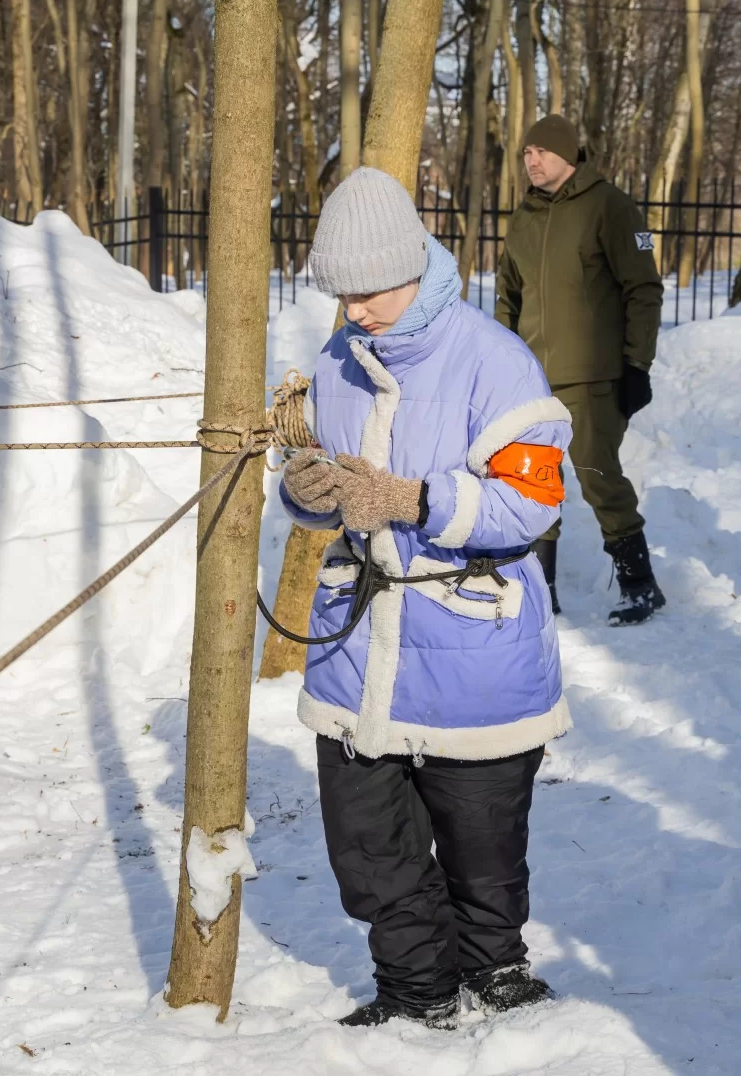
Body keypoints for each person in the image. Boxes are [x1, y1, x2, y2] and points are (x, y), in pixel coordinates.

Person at [281, 167, 573, 1028]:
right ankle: (415, 990)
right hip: (358, 649)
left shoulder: (497, 361)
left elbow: (534, 502)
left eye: (368, 291)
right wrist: (307, 490)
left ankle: (494, 968)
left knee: (482, 846)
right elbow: (324, 496)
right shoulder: (338, 360)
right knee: (371, 848)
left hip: (471, 649)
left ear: (412, 267)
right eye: (341, 294)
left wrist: (414, 500)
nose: (353, 310)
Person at [496, 115, 666, 625]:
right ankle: (540, 589)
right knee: (533, 481)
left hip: (594, 375)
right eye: (526, 153)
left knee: (598, 478)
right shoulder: (523, 218)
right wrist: (502, 363)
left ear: (568, 155)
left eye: (541, 152)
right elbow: (508, 298)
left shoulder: (611, 207)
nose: (532, 161)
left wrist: (636, 364)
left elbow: (643, 289)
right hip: (533, 381)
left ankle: (639, 584)